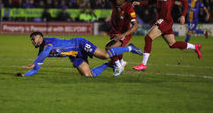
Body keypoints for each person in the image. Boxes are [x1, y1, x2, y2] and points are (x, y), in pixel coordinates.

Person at [132, 0, 202, 71]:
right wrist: (140, 3)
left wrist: (183, 15)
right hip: (163, 20)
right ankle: (195, 47)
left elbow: (185, 3)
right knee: (172, 44)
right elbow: (152, 1)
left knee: (148, 38)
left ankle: (143, 64)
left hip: (166, 20)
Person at [14, 31, 143, 77]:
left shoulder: (48, 42)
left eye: (33, 38)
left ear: (40, 37)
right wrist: (24, 75)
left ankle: (129, 48)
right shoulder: (41, 52)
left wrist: (35, 61)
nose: (32, 41)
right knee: (88, 76)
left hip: (79, 44)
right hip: (74, 55)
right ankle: (110, 65)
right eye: (31, 40)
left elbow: (47, 51)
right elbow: (36, 69)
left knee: (104, 54)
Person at [87, 0, 138, 76]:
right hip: (114, 31)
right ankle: (121, 63)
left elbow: (135, 26)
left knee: (109, 48)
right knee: (116, 52)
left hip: (124, 33)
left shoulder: (129, 8)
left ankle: (119, 66)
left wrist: (123, 35)